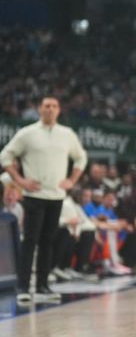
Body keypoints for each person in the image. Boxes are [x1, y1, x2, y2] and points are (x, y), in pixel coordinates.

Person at [0, 96, 88, 303]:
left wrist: (72, 180)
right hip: (34, 195)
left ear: (59, 110)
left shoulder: (67, 134)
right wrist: (20, 180)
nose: (50, 109)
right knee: (30, 241)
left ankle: (42, 286)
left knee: (48, 241)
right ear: (40, 109)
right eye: (47, 106)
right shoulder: (27, 133)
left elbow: (81, 157)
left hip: (56, 195)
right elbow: (5, 156)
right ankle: (23, 287)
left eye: (54, 106)